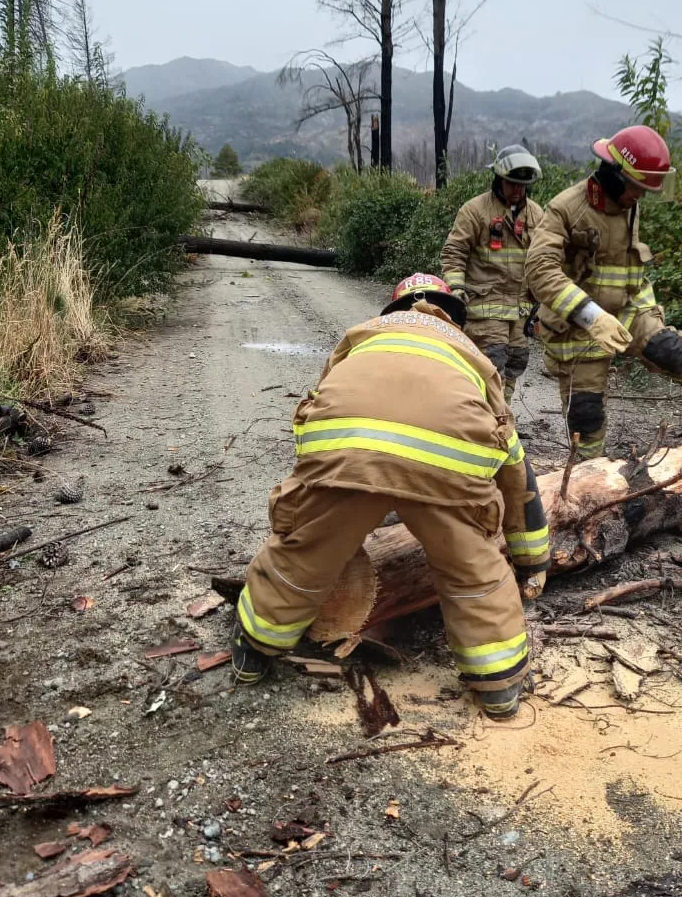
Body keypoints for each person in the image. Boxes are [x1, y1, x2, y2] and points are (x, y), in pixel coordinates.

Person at [232, 273, 550, 720]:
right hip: (448, 460)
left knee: (308, 550)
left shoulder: (362, 336)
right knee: (469, 565)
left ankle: (257, 647)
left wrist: (308, 506)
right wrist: (532, 556)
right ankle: (498, 686)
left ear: (393, 311)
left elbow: (326, 404)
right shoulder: (473, 357)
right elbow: (514, 470)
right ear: (453, 315)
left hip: (348, 448)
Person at [525, 125, 682, 459]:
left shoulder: (628, 206)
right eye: (636, 188)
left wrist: (650, 317)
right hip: (576, 330)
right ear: (614, 176)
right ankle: (588, 479)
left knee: (675, 352)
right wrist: (591, 316)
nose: (640, 196)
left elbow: (630, 272)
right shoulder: (566, 209)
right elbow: (539, 270)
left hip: (627, 312)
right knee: (586, 415)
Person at [440, 145, 545, 403]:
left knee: (516, 363)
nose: (517, 190)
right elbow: (454, 252)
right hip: (484, 308)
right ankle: (486, 422)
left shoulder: (536, 215)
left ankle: (501, 417)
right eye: (512, 184)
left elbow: (545, 260)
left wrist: (544, 302)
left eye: (522, 185)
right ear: (499, 179)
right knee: (491, 364)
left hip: (520, 312)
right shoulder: (475, 211)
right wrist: (455, 289)